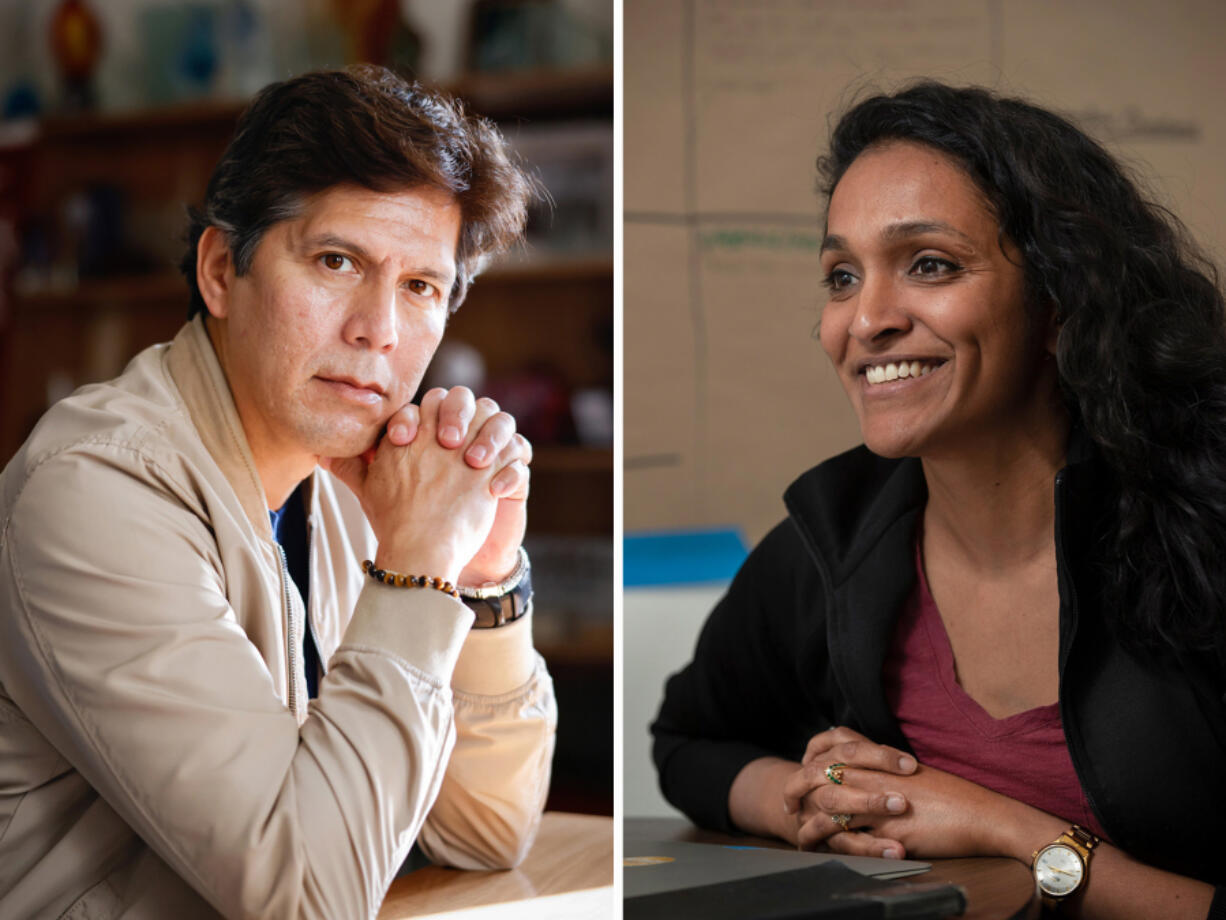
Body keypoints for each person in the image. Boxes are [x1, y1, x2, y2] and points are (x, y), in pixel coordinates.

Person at [652, 81, 1226, 919]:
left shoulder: (1204, 533)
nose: (868, 319)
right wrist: (810, 797)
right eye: (842, 276)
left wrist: (1013, 834)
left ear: (1062, 304)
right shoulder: (831, 538)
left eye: (930, 264)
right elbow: (687, 743)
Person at [0, 65, 557, 919]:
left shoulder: (346, 481)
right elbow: (308, 895)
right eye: (337, 261)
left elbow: (483, 831)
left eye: (421, 287)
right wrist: (415, 565)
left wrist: (480, 575)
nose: (379, 330)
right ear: (222, 270)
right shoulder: (92, 489)